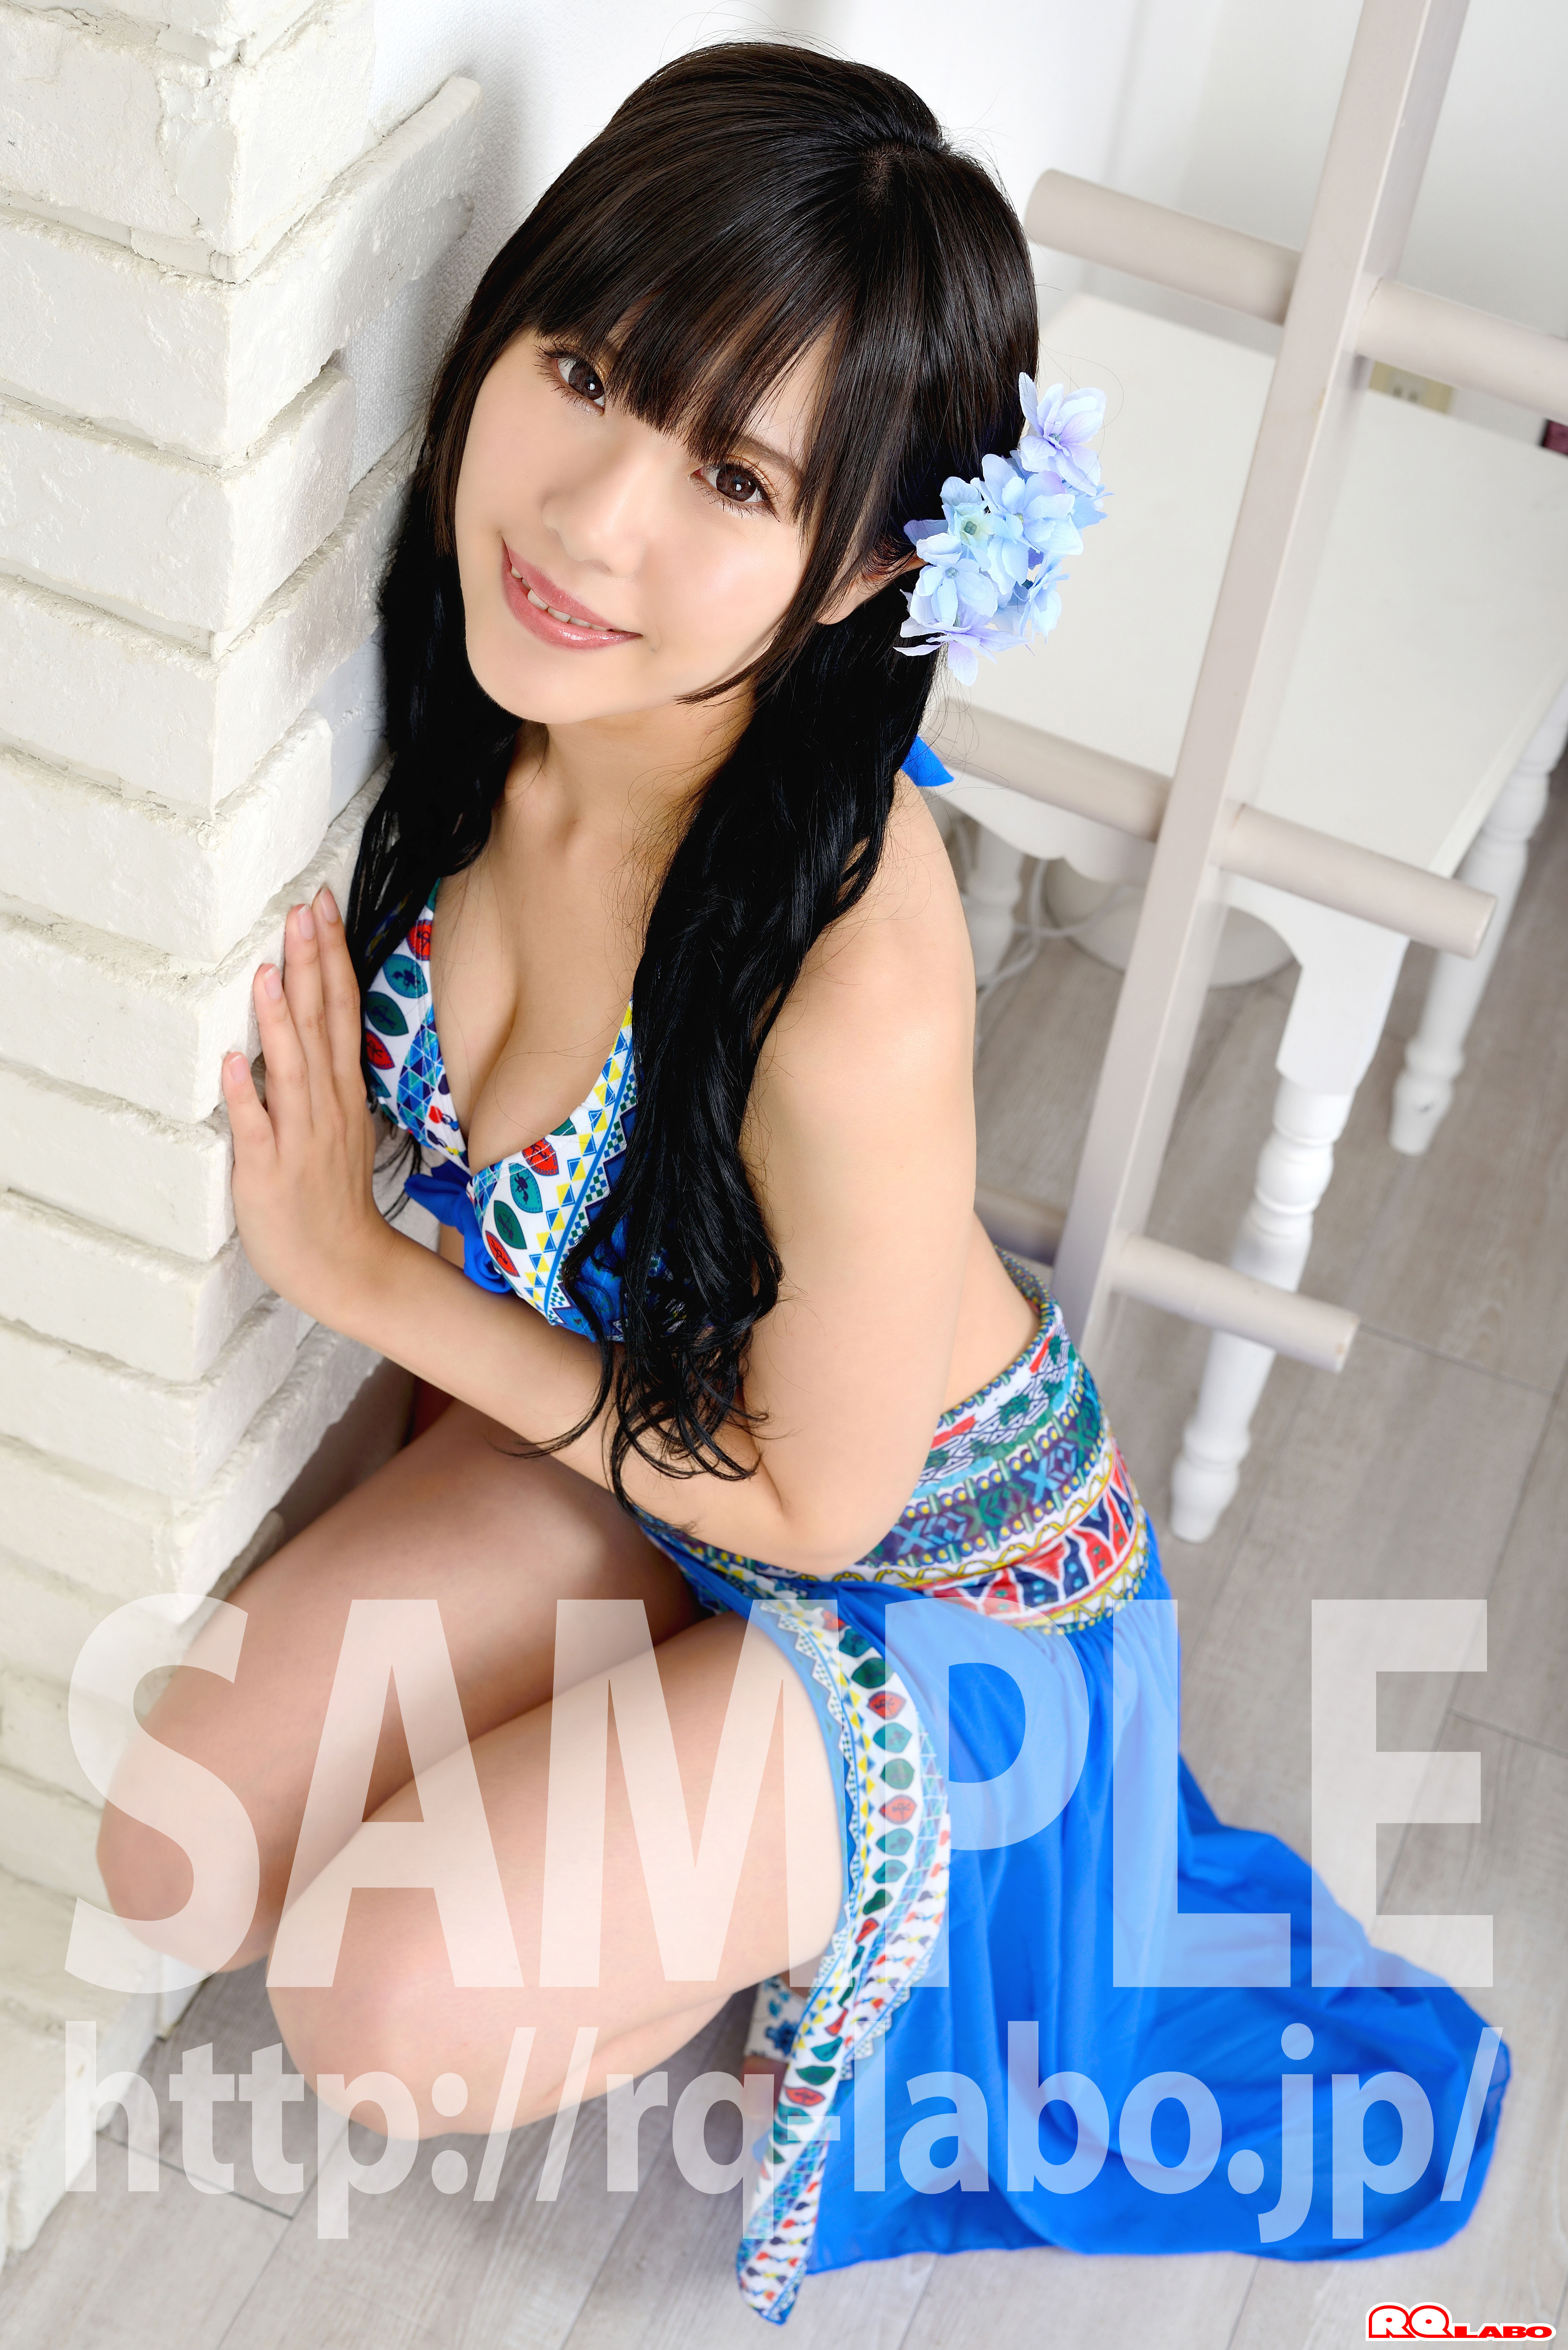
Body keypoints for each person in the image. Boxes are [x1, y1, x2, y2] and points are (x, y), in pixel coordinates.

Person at [98, 42, 1506, 2323]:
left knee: (376, 2006)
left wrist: (358, 1273)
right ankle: (657, 1769)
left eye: (731, 478)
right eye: (585, 373)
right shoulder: (478, 701)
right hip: (652, 1475)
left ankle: (812, 1904)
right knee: (180, 1850)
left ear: (865, 563)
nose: (590, 523)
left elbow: (820, 1503)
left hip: (926, 1582)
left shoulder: (849, 972)